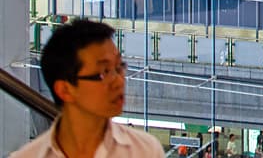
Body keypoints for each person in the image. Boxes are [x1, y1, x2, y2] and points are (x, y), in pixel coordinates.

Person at [10, 19, 164, 158]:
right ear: (65, 90)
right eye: (104, 72)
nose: (119, 82)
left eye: (119, 67)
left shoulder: (144, 150)